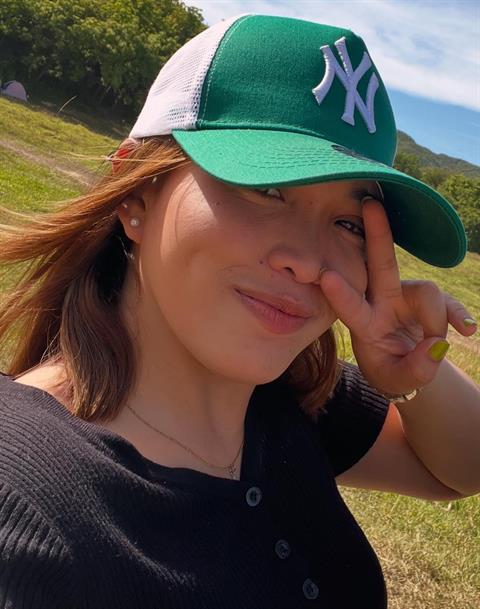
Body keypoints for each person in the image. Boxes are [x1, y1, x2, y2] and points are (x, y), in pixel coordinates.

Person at [0, 12, 478, 609]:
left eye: (348, 223)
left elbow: (462, 469)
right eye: (266, 189)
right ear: (136, 195)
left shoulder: (291, 398)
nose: (309, 262)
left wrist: (409, 370)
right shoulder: (23, 504)